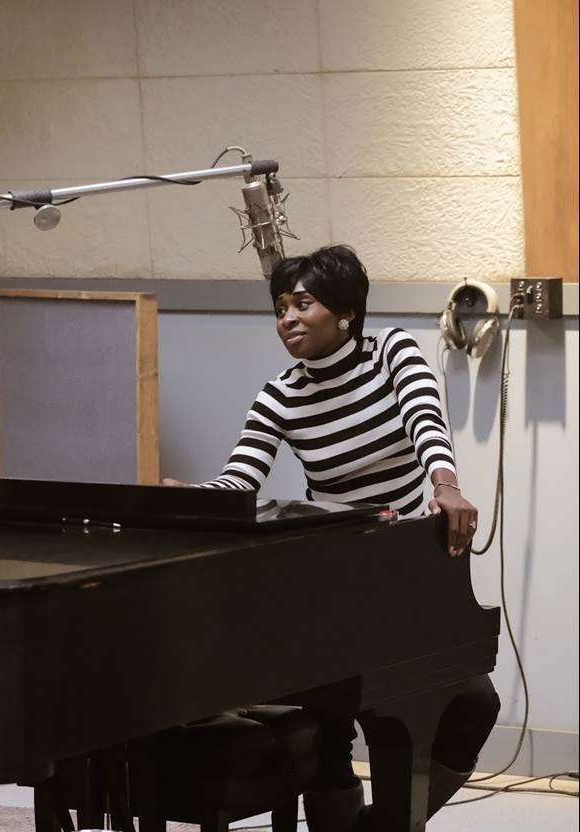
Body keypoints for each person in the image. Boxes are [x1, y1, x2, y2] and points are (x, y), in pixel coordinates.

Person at [165, 245, 500, 830]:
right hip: (330, 577)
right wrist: (189, 495)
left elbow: (426, 420)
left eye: (303, 303)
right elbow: (240, 479)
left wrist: (444, 482)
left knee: (475, 703)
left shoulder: (391, 351)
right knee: (336, 717)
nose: (287, 319)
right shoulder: (280, 396)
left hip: (404, 567)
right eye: (280, 308)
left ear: (346, 312)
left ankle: (382, 824)